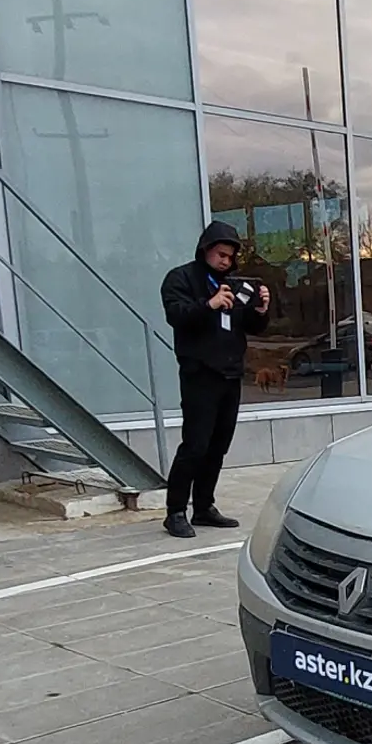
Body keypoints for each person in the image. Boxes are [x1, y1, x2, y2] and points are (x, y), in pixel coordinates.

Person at [159, 221, 270, 538]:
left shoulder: (234, 284)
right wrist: (208, 304)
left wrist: (261, 310)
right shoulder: (181, 278)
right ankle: (176, 511)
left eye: (230, 256)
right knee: (195, 444)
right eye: (221, 254)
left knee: (218, 445)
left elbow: (251, 325)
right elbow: (176, 315)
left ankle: (204, 506)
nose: (226, 261)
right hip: (199, 374)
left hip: (230, 374)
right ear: (206, 249)